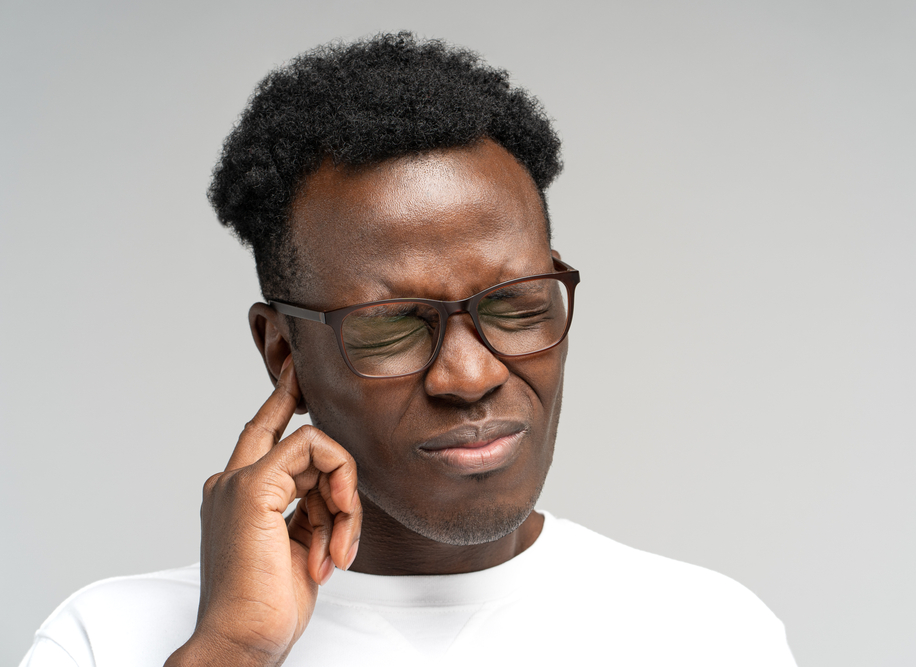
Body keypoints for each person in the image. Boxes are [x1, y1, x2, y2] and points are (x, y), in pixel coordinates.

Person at [21, 32, 797, 666]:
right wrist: (233, 649)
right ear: (284, 352)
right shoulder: (110, 638)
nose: (471, 373)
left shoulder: (709, 632)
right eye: (392, 326)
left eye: (518, 304)